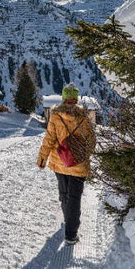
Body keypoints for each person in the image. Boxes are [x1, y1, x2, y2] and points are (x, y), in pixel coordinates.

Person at [36, 83, 96, 245]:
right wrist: (82, 154)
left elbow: (49, 139)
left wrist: (42, 159)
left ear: (63, 98)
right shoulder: (84, 116)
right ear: (75, 99)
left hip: (60, 161)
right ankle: (71, 234)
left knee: (64, 194)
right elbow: (91, 141)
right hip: (78, 164)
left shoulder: (56, 115)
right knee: (74, 198)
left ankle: (67, 218)